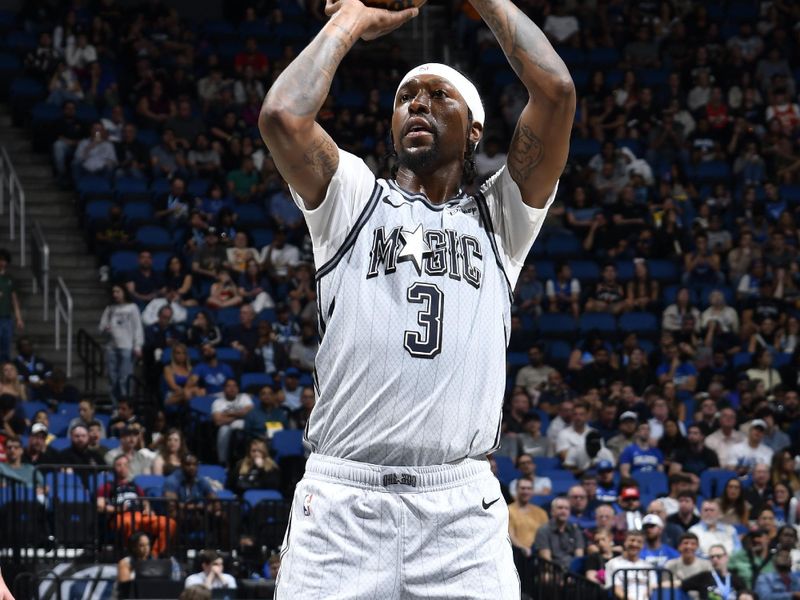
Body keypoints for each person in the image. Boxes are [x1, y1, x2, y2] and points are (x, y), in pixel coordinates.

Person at [260, 0, 575, 593]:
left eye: (438, 95)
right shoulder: (352, 199)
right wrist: (350, 19)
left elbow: (555, 90)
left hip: (459, 511)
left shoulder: (501, 217)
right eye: (407, 97)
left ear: (475, 130)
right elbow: (282, 116)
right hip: (342, 503)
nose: (419, 104)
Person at [97, 454, 177, 557]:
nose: (122, 467)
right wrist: (117, 509)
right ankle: (132, 555)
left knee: (169, 523)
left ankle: (154, 555)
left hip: (141, 515)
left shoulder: (135, 486)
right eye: (119, 465)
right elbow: (100, 506)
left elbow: (145, 502)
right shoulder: (107, 486)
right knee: (128, 522)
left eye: (125, 464)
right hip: (120, 516)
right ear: (114, 468)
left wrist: (148, 509)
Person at [99, 285, 144, 404]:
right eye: (113, 291)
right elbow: (101, 326)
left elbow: (137, 327)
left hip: (127, 346)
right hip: (112, 347)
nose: (115, 294)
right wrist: (105, 328)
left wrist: (137, 345)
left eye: (118, 291)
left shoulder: (132, 308)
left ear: (124, 292)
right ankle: (115, 406)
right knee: (112, 379)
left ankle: (127, 405)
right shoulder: (110, 308)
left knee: (125, 378)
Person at [535, 496, 586, 570]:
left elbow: (579, 558)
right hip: (553, 571)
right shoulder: (543, 530)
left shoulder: (575, 530)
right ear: (552, 511)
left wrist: (573, 574)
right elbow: (546, 560)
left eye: (566, 508)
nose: (563, 511)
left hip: (573, 572)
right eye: (560, 508)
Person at [211, 378, 254, 465]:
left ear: (238, 388)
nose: (232, 388)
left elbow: (250, 412)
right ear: (224, 389)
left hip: (244, 426)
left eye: (234, 386)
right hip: (227, 428)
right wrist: (238, 416)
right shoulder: (218, 402)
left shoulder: (244, 397)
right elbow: (218, 421)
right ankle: (223, 462)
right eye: (229, 386)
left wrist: (228, 414)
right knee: (223, 429)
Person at [682, 544, 746, 600]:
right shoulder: (703, 577)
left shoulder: (737, 579)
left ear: (726, 557)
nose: (714, 559)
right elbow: (681, 584)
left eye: (718, 556)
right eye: (712, 557)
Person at [605, 530, 654, 600]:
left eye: (639, 542)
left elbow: (651, 588)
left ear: (643, 545)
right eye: (632, 540)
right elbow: (616, 589)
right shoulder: (612, 564)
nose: (635, 544)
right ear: (625, 542)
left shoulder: (648, 566)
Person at [0, 249, 24, 363]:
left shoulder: (9, 279)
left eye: (4, 260)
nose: (2, 263)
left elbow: (14, 300)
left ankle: (4, 371)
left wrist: (19, 318)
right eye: (0, 260)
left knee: (6, 346)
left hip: (6, 318)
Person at [117, 532, 155, 600]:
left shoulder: (153, 561)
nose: (146, 548)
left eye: (148, 544)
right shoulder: (125, 562)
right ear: (134, 547)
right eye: (141, 545)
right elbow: (125, 588)